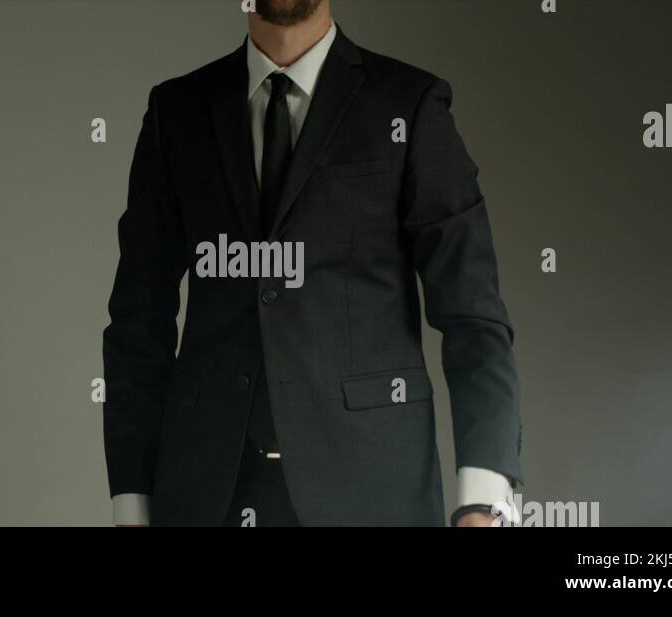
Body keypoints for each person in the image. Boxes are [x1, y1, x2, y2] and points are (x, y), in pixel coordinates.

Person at [103, 0, 523, 526]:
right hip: (204, 497)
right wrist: (132, 503)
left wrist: (483, 500)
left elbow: (473, 315)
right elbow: (138, 323)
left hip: (372, 495)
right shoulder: (178, 111)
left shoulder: (409, 105)